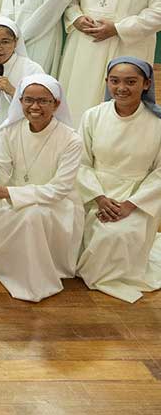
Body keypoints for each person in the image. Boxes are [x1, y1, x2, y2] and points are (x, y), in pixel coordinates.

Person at [0, 74, 83, 302]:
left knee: (32, 215)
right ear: (20, 101)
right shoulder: (10, 132)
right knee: (25, 214)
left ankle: (33, 278)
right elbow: (0, 169)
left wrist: (10, 193)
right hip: (12, 200)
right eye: (28, 100)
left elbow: (60, 188)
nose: (35, 107)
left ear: (56, 104)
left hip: (54, 206)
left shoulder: (71, 140)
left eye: (43, 101)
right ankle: (14, 265)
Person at [76, 58, 161, 302]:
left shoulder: (157, 123)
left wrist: (129, 205)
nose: (121, 88)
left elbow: (159, 173)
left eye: (130, 82)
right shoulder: (93, 116)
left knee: (115, 236)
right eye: (115, 81)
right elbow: (81, 163)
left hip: (138, 197)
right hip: (93, 192)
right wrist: (99, 198)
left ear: (146, 84)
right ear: (107, 83)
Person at [0, 17, 44, 160]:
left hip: (17, 133)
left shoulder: (31, 69)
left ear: (15, 42)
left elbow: (42, 106)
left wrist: (13, 91)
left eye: (5, 42)